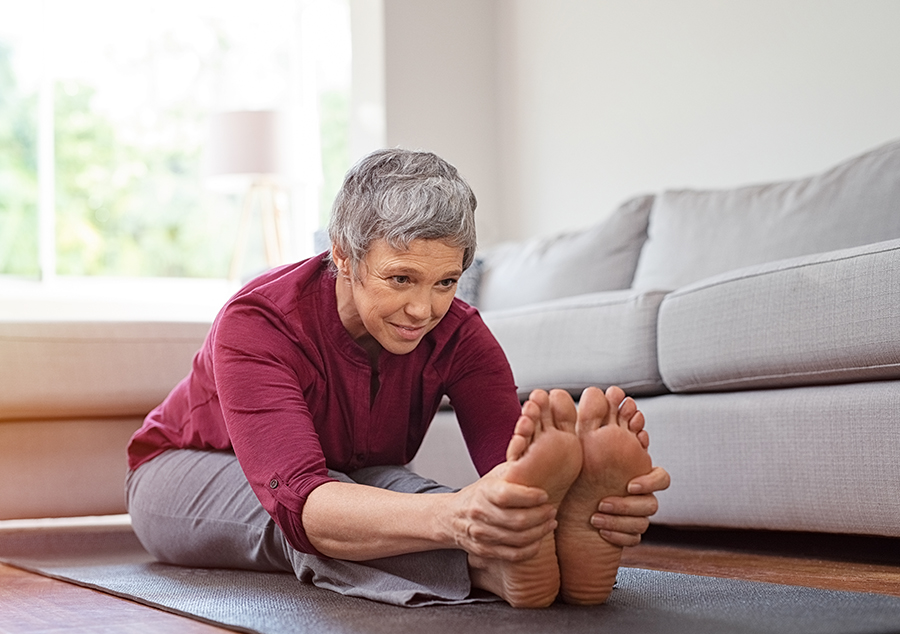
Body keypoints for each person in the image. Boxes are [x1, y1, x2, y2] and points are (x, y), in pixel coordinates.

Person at [125, 148, 670, 608]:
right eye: (401, 278)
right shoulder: (258, 322)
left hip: (349, 475)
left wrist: (577, 505)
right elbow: (301, 500)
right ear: (343, 256)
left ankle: (521, 554)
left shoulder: (461, 333)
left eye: (445, 281)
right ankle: (485, 569)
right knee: (332, 522)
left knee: (411, 496)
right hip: (188, 470)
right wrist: (459, 517)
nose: (423, 309)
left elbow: (512, 473)